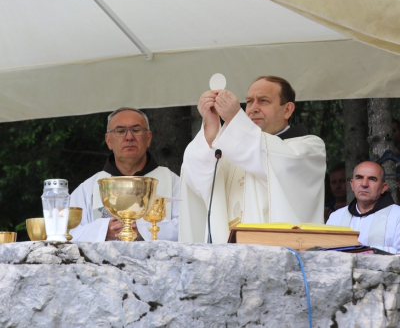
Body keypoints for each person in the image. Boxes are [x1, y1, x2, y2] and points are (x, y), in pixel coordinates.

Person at [180, 76, 326, 244]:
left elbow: (271, 157)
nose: (253, 109)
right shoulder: (230, 149)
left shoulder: (310, 148)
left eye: (263, 101)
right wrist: (211, 128)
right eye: (249, 102)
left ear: (287, 110)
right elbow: (195, 177)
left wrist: (235, 118)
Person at [70, 107, 179, 241]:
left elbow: (192, 226)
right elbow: (67, 233)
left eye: (136, 130)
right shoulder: (88, 189)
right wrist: (104, 231)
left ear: (148, 138)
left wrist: (144, 230)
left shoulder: (174, 182)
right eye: (120, 131)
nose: (129, 137)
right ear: (108, 140)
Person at [327, 161, 400, 254]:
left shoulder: (399, 216)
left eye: (372, 179)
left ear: (383, 187)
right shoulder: (336, 217)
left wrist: (367, 251)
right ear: (352, 184)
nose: (364, 184)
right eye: (359, 178)